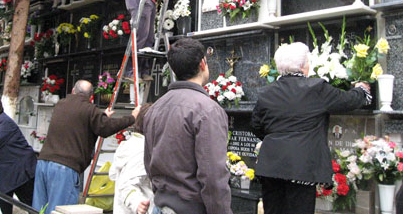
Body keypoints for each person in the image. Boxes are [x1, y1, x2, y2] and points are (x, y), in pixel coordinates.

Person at [250, 42, 371, 214]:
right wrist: (362, 89)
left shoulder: (266, 92)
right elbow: (347, 101)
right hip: (302, 168)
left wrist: (278, 141)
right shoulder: (316, 88)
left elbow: (256, 126)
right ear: (302, 66)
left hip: (271, 167)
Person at [143, 38, 232, 214]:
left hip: (161, 206)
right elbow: (213, 175)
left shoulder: (155, 107)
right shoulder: (207, 110)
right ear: (202, 64)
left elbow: (149, 162)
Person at [32, 80, 140, 214]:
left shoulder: (61, 104)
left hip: (43, 163)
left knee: (39, 210)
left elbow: (78, 121)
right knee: (60, 211)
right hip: (65, 168)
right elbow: (105, 128)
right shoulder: (89, 109)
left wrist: (102, 116)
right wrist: (132, 117)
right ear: (91, 97)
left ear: (73, 91)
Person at [109, 103, 153, 214]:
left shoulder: (129, 144)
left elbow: (113, 174)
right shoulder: (142, 150)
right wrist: (137, 203)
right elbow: (127, 185)